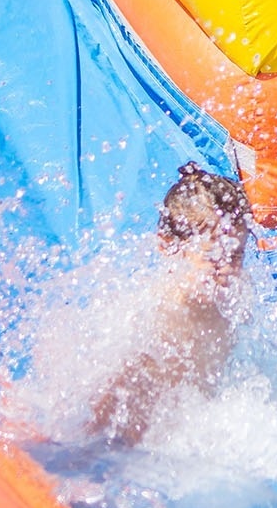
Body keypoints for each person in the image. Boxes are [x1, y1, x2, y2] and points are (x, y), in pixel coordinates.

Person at [86, 163, 254, 447]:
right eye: (212, 256)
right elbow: (106, 420)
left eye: (236, 255)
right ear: (168, 246)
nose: (226, 269)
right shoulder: (157, 321)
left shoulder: (232, 299)